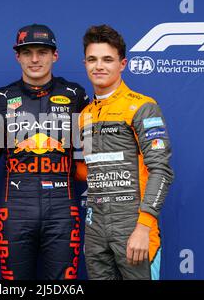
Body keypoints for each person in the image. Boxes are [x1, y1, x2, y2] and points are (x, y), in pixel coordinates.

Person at [0, 24, 89, 280]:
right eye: (27, 53)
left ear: (55, 55)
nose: (35, 59)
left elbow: (92, 152)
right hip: (15, 208)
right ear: (18, 56)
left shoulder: (75, 95)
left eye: (42, 52)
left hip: (63, 207)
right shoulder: (2, 98)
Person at [79, 24, 174, 280]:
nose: (99, 66)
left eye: (107, 59)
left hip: (133, 225)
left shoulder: (143, 107)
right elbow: (88, 170)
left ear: (122, 64)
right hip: (95, 229)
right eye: (92, 59)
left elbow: (161, 170)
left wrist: (143, 227)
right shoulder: (85, 115)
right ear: (85, 63)